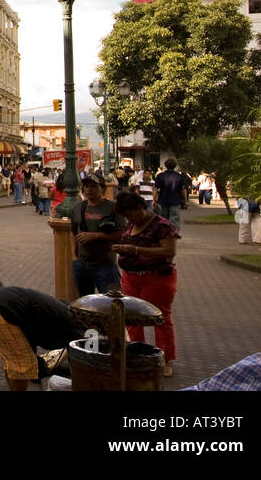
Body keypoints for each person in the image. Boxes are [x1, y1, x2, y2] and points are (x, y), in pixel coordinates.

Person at [112, 192, 179, 377]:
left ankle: (165, 360)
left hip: (157, 278)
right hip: (131, 278)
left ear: (140, 208)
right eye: (126, 216)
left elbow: (169, 250)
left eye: (131, 214)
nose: (130, 219)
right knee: (132, 319)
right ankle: (137, 355)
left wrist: (135, 249)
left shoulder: (162, 226)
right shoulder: (131, 224)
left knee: (160, 318)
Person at [0, 287, 87, 390]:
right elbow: (84, 361)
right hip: (1, 310)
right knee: (23, 366)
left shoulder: (68, 313)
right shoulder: (78, 329)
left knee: (12, 362)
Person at [71, 172, 125, 295]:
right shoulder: (78, 208)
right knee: (84, 302)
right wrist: (74, 258)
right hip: (82, 265)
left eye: (93, 186)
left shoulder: (113, 208)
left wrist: (96, 235)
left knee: (111, 302)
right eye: (86, 186)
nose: (89, 189)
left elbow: (121, 234)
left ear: (102, 188)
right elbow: (73, 233)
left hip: (105, 265)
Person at [153, 158, 189, 230]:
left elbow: (155, 188)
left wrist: (154, 199)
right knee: (174, 218)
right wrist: (185, 201)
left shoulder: (161, 176)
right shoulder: (179, 176)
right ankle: (173, 233)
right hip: (175, 200)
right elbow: (183, 190)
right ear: (175, 166)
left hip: (163, 200)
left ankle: (163, 232)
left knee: (163, 218)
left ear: (165, 165)